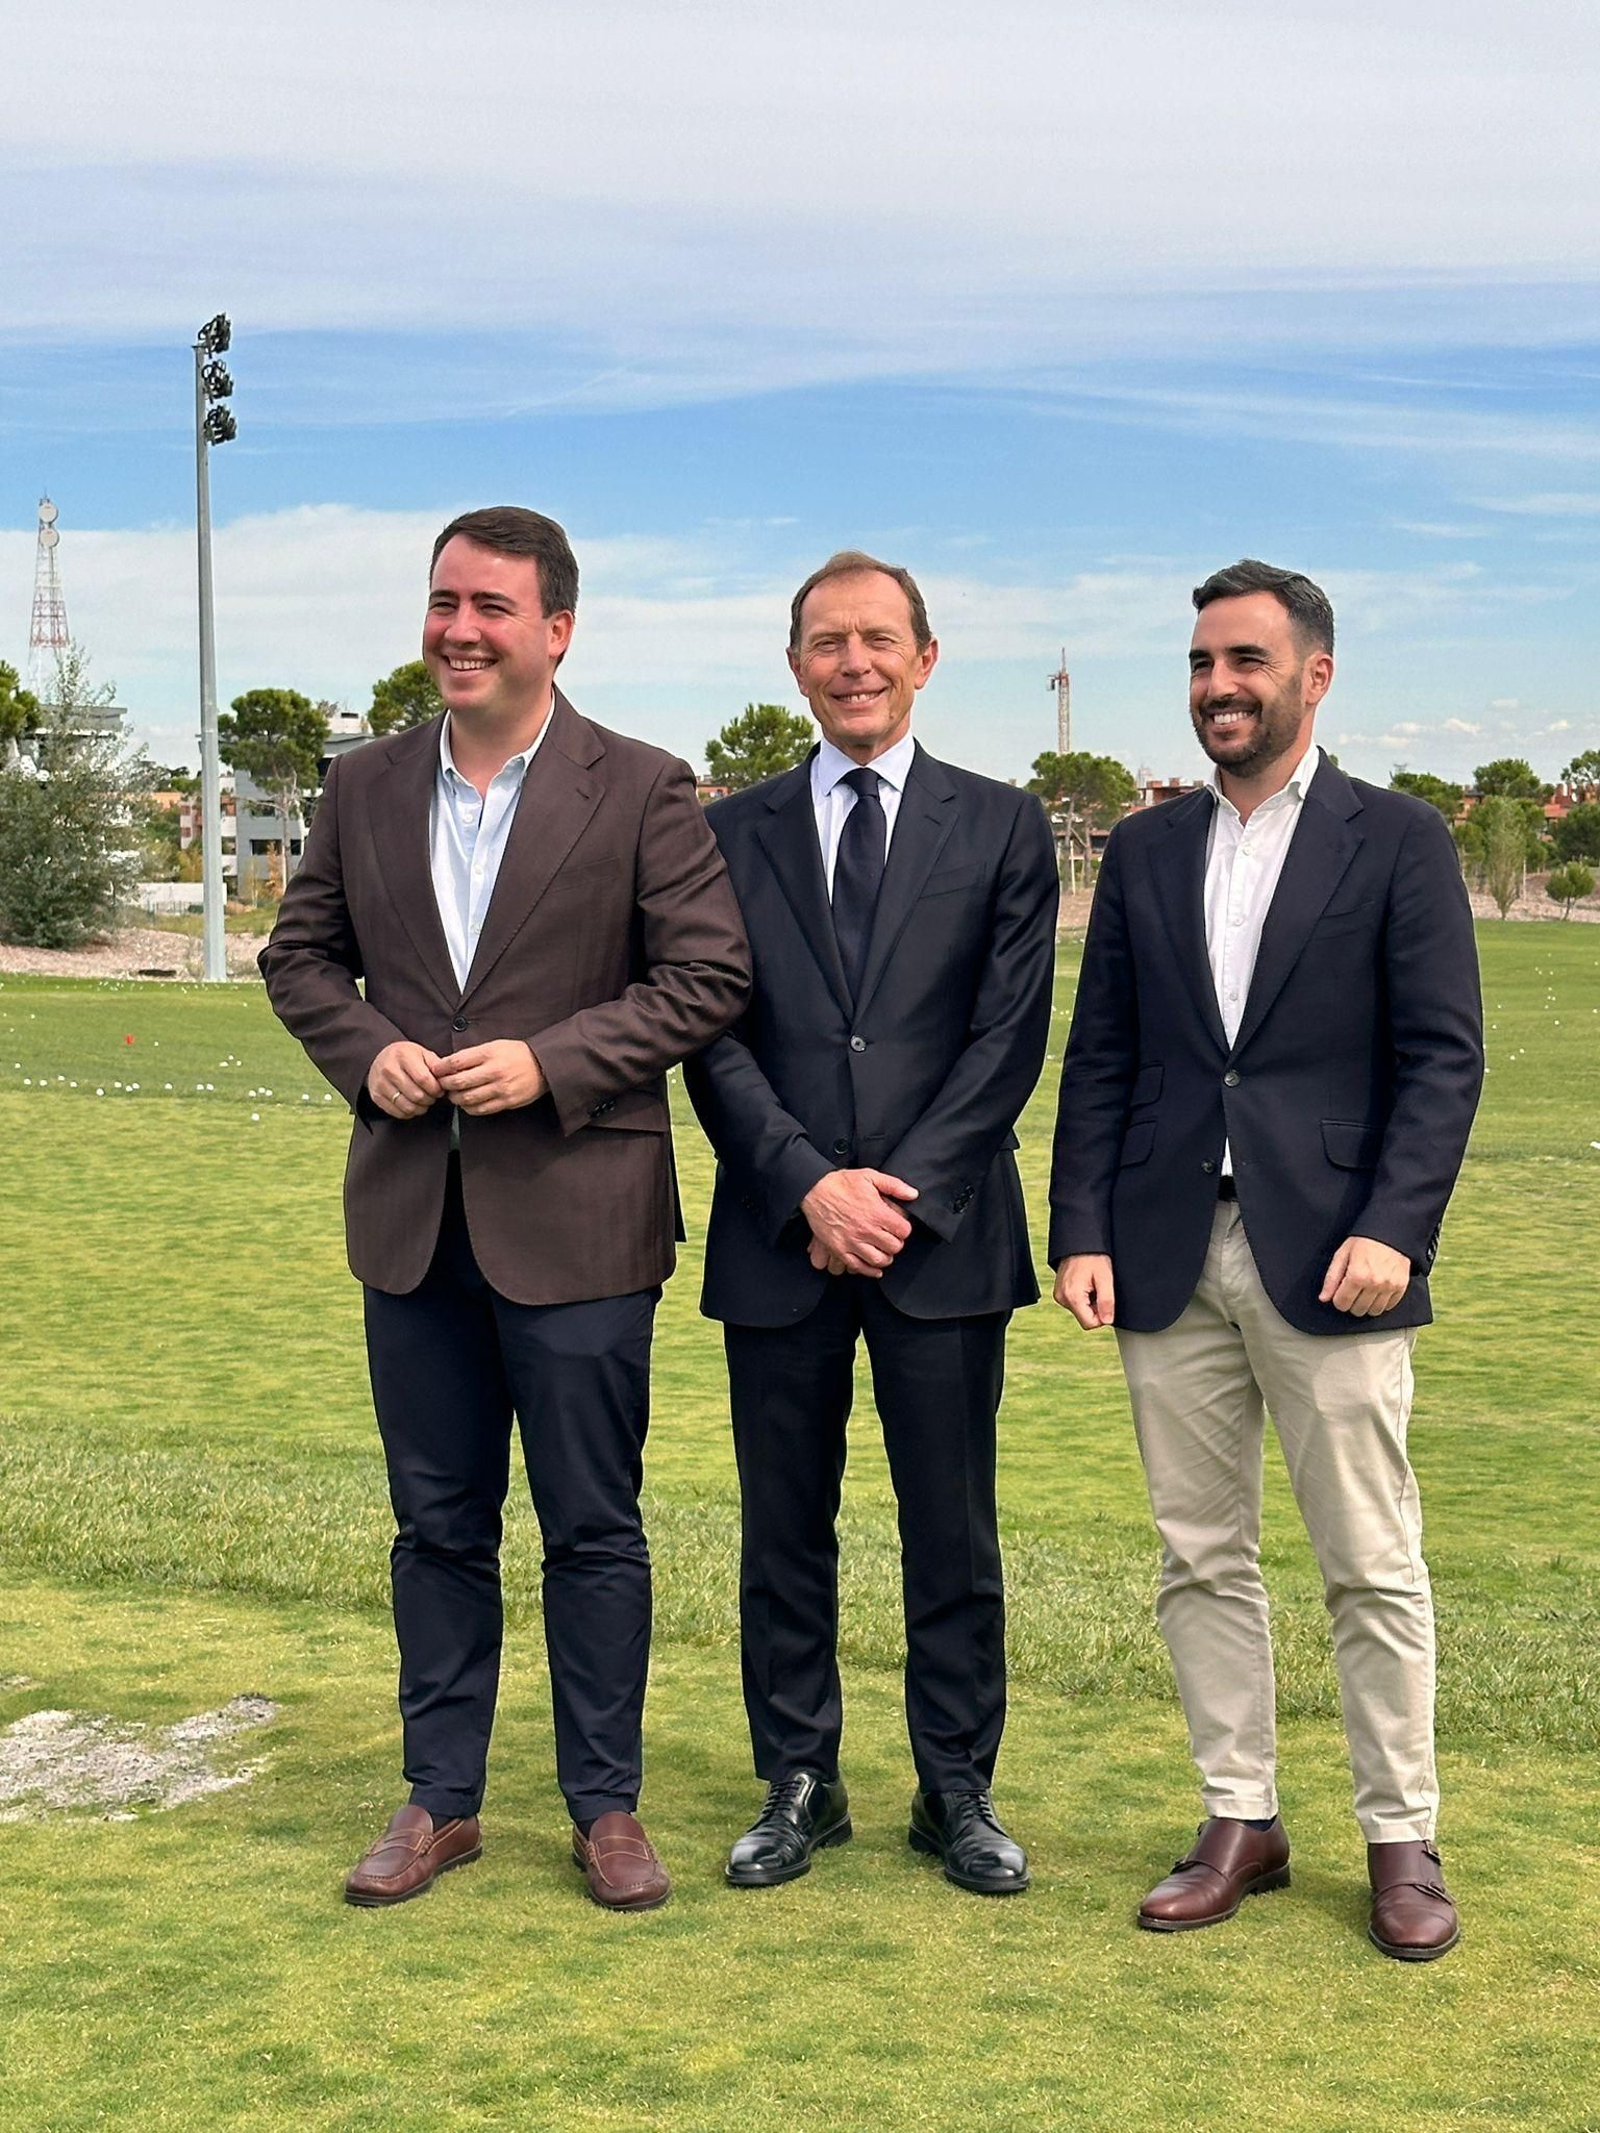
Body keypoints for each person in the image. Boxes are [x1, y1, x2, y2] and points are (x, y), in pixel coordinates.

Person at [261, 506, 749, 1912]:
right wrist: (370, 1054)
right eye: (442, 602)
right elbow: (300, 962)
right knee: (437, 1524)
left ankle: (606, 1807)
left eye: (489, 606)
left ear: (556, 630)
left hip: (584, 1217)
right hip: (413, 1221)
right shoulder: (360, 785)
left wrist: (552, 1060)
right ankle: (441, 1799)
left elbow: (707, 977)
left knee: (593, 1524)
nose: (459, 629)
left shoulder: (647, 785)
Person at [1049, 559, 1483, 1959]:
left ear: (1316, 673)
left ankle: (1400, 1832)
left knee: (1369, 1557)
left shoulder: (1398, 837)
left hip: (1338, 1259)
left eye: (1244, 659)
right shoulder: (1147, 849)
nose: (1217, 686)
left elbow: (1442, 1058)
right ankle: (1241, 1814)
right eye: (1198, 663)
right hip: (1168, 1253)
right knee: (1198, 1553)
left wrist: (1395, 1226)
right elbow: (1103, 1055)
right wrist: (1081, 1229)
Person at [684, 550, 1059, 1896]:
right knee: (784, 1527)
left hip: (941, 1241)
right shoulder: (726, 835)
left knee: (951, 1527)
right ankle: (801, 1781)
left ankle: (955, 1786)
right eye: (828, 641)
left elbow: (1008, 1040)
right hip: (779, 1239)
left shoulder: (1006, 827)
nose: (855, 661)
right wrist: (806, 1186)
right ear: (795, 665)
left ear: (926, 655)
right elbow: (709, 1034)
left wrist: (897, 1195)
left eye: (878, 638)